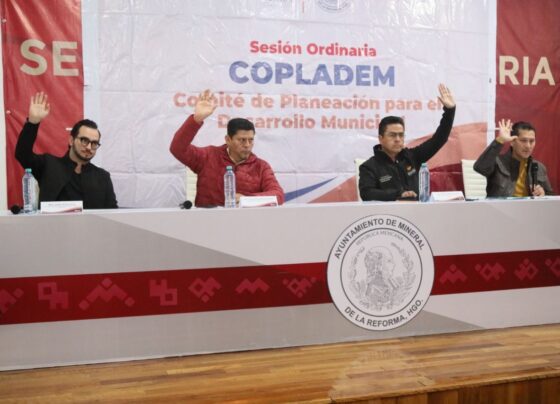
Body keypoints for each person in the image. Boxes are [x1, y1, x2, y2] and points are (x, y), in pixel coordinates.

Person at [170, 89, 285, 207]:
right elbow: (177, 148)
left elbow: (278, 195)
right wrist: (196, 119)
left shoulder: (261, 167)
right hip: (208, 218)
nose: (247, 145)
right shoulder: (208, 156)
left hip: (246, 218)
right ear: (228, 140)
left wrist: (247, 199)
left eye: (250, 140)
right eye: (242, 140)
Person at [15, 92, 118, 209]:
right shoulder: (49, 165)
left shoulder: (103, 177)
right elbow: (22, 154)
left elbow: (112, 213)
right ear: (71, 140)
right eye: (84, 140)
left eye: (94, 143)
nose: (89, 147)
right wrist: (32, 123)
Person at [359, 84, 456, 201]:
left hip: (417, 210)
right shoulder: (369, 166)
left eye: (401, 135)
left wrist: (450, 111)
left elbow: (439, 139)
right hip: (389, 212)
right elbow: (367, 193)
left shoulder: (412, 156)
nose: (397, 139)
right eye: (392, 135)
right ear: (381, 138)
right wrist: (399, 194)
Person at [474, 119, 553, 197]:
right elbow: (480, 168)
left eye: (532, 141)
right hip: (501, 205)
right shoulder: (498, 162)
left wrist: (543, 194)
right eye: (523, 140)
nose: (528, 146)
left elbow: (551, 198)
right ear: (512, 142)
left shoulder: (539, 167)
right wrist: (500, 140)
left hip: (529, 206)